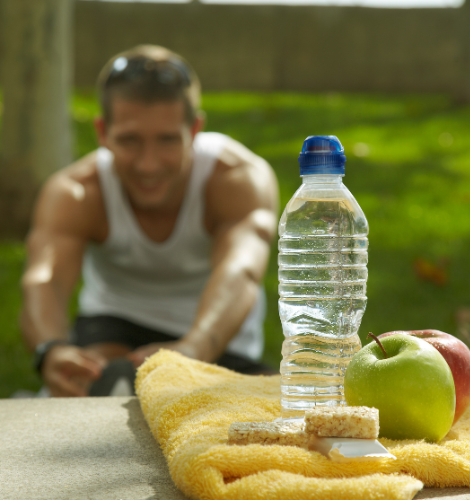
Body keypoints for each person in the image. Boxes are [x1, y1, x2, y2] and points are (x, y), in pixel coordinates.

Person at [20, 45, 279, 397]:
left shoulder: (238, 179)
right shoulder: (76, 191)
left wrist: (194, 348)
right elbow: (44, 279)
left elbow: (241, 273)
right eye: (129, 140)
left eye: (167, 140)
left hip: (213, 340)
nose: (148, 164)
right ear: (102, 132)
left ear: (195, 130)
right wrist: (51, 350)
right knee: (101, 384)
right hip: (112, 330)